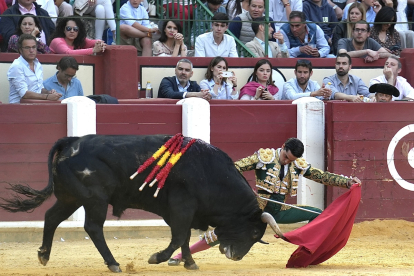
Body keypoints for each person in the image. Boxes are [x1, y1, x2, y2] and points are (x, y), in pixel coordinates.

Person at [167, 137, 361, 266]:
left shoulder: (296, 163)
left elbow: (320, 175)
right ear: (283, 147)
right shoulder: (265, 158)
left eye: (291, 160)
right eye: (286, 157)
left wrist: (346, 182)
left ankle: (308, 254)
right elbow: (233, 169)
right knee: (220, 233)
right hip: (255, 210)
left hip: (279, 210)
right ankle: (181, 255)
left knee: (319, 216)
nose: (286, 162)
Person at [8, 34, 62, 103]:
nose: (31, 50)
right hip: (18, 108)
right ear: (20, 50)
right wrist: (47, 97)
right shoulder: (16, 66)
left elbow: (39, 88)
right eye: (27, 47)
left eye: (34, 47)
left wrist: (48, 92)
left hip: (36, 106)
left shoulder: (38, 64)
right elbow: (24, 94)